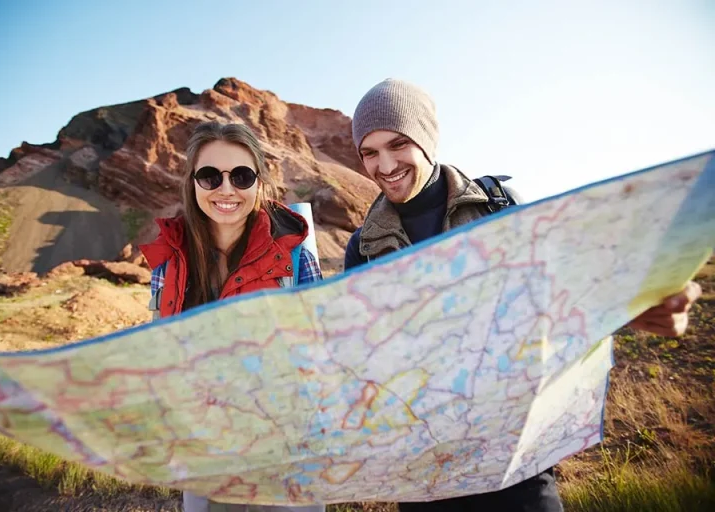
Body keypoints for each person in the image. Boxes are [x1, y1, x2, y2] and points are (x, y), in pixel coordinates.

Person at [344, 78, 703, 511]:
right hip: (427, 471)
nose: (385, 165)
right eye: (370, 152)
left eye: (398, 144)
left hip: (515, 462)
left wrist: (639, 308)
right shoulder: (361, 249)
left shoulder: (500, 207)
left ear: (426, 139)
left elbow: (559, 297)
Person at [139, 121, 325, 512]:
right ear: (192, 183)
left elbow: (318, 358)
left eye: (241, 176)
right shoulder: (168, 263)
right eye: (210, 176)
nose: (226, 189)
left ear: (260, 181)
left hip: (286, 456)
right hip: (207, 457)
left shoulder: (295, 260)